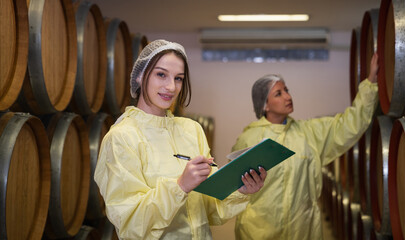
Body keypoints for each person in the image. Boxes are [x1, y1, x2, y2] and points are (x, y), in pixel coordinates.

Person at [94, 39, 267, 240]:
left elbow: (210, 209)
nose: (171, 87)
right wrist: (180, 186)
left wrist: (241, 190)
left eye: (178, 78)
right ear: (140, 77)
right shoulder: (121, 137)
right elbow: (130, 223)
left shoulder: (191, 129)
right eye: (161, 75)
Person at [232, 54, 379, 239]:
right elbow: (234, 189)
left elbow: (349, 124)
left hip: (303, 231)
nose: (288, 96)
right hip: (258, 232)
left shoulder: (309, 132)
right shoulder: (248, 139)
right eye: (279, 93)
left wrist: (370, 84)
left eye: (287, 90)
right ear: (265, 105)